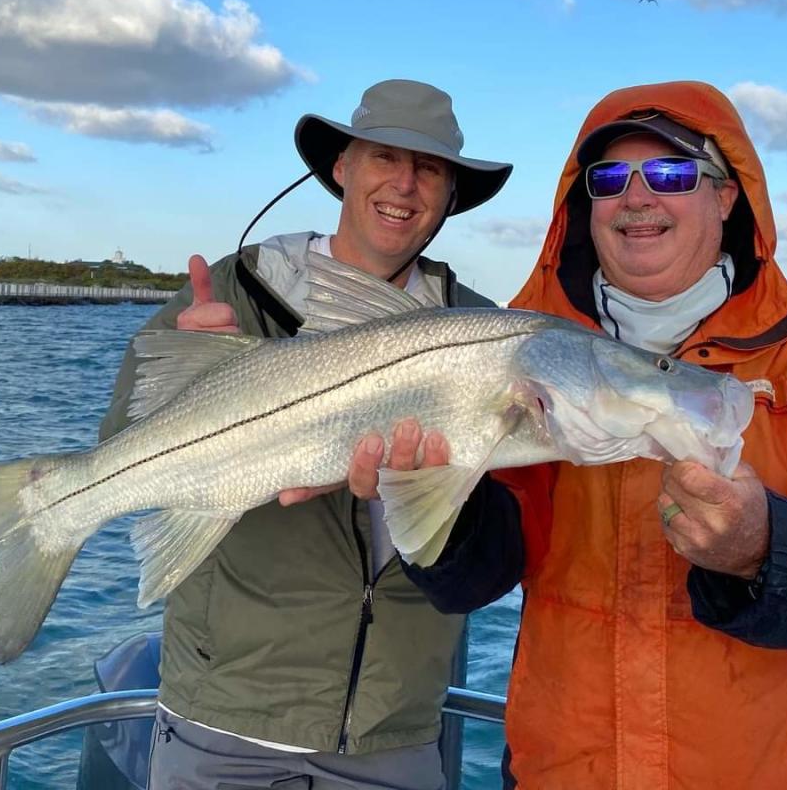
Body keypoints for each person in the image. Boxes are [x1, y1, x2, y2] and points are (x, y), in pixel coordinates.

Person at [356, 80, 787, 788]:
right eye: (610, 178)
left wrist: (767, 547)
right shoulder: (519, 354)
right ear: (586, 207)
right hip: (561, 768)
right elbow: (479, 577)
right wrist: (434, 493)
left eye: (673, 173)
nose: (638, 197)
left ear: (727, 196)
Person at [99, 79, 513, 790]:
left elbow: (495, 561)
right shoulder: (231, 291)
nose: (406, 185)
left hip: (396, 737)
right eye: (385, 156)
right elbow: (119, 445)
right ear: (342, 168)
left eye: (431, 169)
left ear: (450, 195)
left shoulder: (482, 332)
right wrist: (197, 383)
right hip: (223, 726)